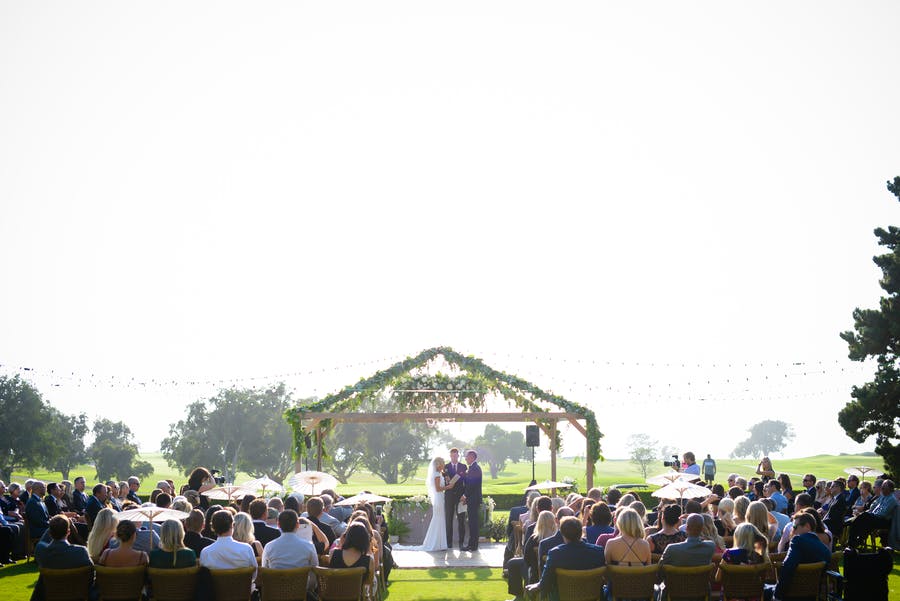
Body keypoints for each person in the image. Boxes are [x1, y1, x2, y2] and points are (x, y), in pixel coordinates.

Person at [525, 516, 605, 601]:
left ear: (562, 533)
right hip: (593, 597)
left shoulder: (555, 554)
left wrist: (537, 586)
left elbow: (546, 582)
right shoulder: (598, 551)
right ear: (581, 532)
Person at [774, 512, 831, 601]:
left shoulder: (798, 540)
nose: (793, 530)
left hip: (790, 594)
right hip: (812, 596)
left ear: (807, 526)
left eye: (795, 527)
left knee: (764, 589)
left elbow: (787, 566)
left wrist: (777, 596)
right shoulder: (825, 550)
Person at [261, 509, 318, 592]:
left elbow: (265, 572)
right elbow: (314, 571)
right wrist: (309, 590)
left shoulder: (269, 546)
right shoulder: (308, 546)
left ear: (278, 525)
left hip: (276, 592)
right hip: (301, 592)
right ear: (298, 525)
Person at [200, 510, 258, 579]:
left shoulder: (206, 552)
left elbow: (204, 578)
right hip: (242, 589)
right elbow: (254, 574)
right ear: (232, 525)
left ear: (213, 527)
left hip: (216, 589)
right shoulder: (246, 549)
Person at [847, 479, 896, 549]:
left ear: (889, 489)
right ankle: (855, 542)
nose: (882, 488)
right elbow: (873, 507)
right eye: (882, 487)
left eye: (884, 487)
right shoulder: (882, 497)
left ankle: (854, 542)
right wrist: (867, 513)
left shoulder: (892, 499)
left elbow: (883, 514)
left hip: (884, 521)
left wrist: (870, 514)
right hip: (875, 518)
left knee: (863, 517)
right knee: (860, 518)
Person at [460, 450, 482, 551]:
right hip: (472, 499)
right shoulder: (473, 468)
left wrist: (465, 495)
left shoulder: (475, 468)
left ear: (472, 457)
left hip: (473, 499)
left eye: (467, 457)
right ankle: (471, 545)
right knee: (472, 522)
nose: (465, 458)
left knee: (473, 523)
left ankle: (473, 545)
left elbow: (472, 485)